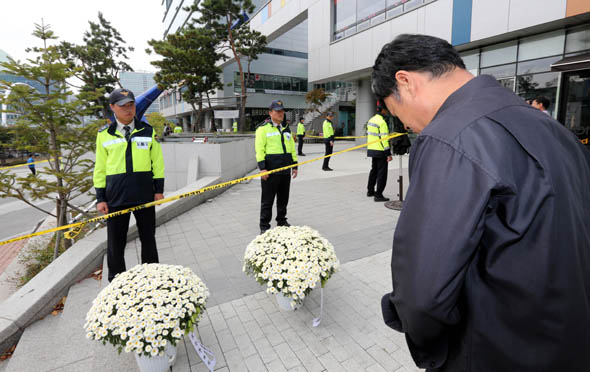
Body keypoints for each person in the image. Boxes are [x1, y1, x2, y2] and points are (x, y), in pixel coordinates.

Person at [372, 34, 590, 372]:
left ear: (406, 81)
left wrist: (430, 345)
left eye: (395, 112)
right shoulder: (557, 131)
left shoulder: (448, 137)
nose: (404, 124)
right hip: (567, 339)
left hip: (495, 348)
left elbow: (424, 294)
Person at [93, 88, 165, 282]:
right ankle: (117, 281)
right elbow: (100, 168)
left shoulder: (147, 131)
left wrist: (158, 191)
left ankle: (151, 277)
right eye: (123, 106)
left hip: (144, 194)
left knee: (148, 238)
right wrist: (100, 198)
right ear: (112, 108)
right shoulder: (104, 135)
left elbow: (157, 162)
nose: (128, 109)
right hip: (116, 196)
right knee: (116, 242)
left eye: (131, 104)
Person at [255, 100, 298, 234]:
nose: (281, 114)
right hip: (270, 170)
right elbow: (259, 150)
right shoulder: (263, 129)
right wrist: (262, 168)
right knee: (267, 200)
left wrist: (295, 166)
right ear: (270, 113)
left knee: (283, 198)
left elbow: (291, 148)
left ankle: (281, 220)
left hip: (285, 170)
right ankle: (264, 226)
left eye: (282, 111)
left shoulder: (286, 129)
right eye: (278, 111)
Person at [366, 103, 392, 202]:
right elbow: (384, 139)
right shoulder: (382, 122)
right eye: (386, 110)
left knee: (374, 170)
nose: (386, 112)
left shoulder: (371, 120)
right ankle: (379, 195)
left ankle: (370, 191)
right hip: (381, 151)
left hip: (372, 150)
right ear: (382, 110)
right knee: (382, 173)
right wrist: (388, 153)